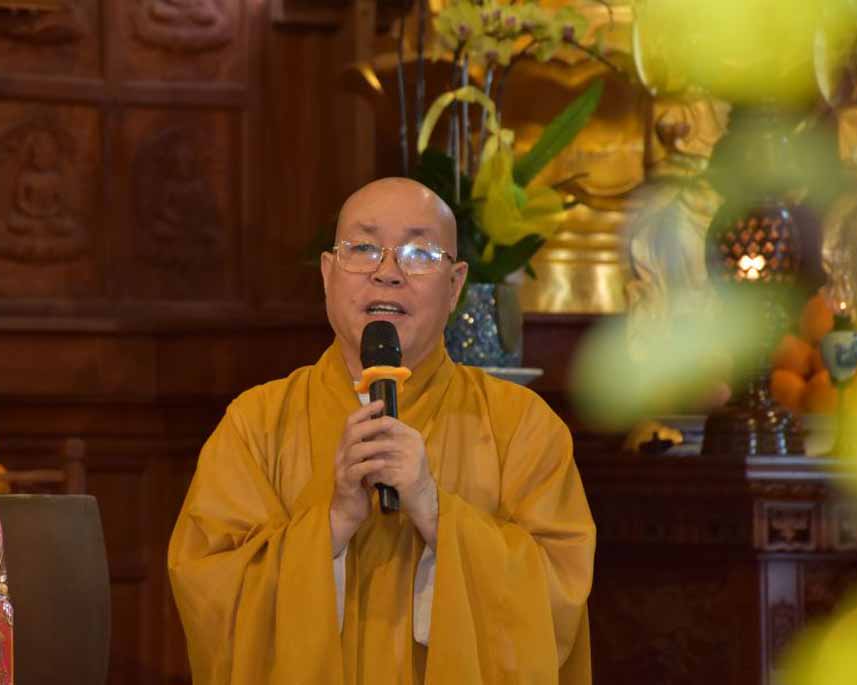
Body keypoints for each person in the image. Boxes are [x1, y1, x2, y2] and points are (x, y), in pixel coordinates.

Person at [168, 178, 596, 684]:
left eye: (418, 253)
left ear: (455, 285)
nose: (387, 273)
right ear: (327, 273)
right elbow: (210, 593)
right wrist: (333, 524)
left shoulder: (523, 427)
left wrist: (435, 513)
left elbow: (558, 596)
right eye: (364, 249)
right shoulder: (255, 425)